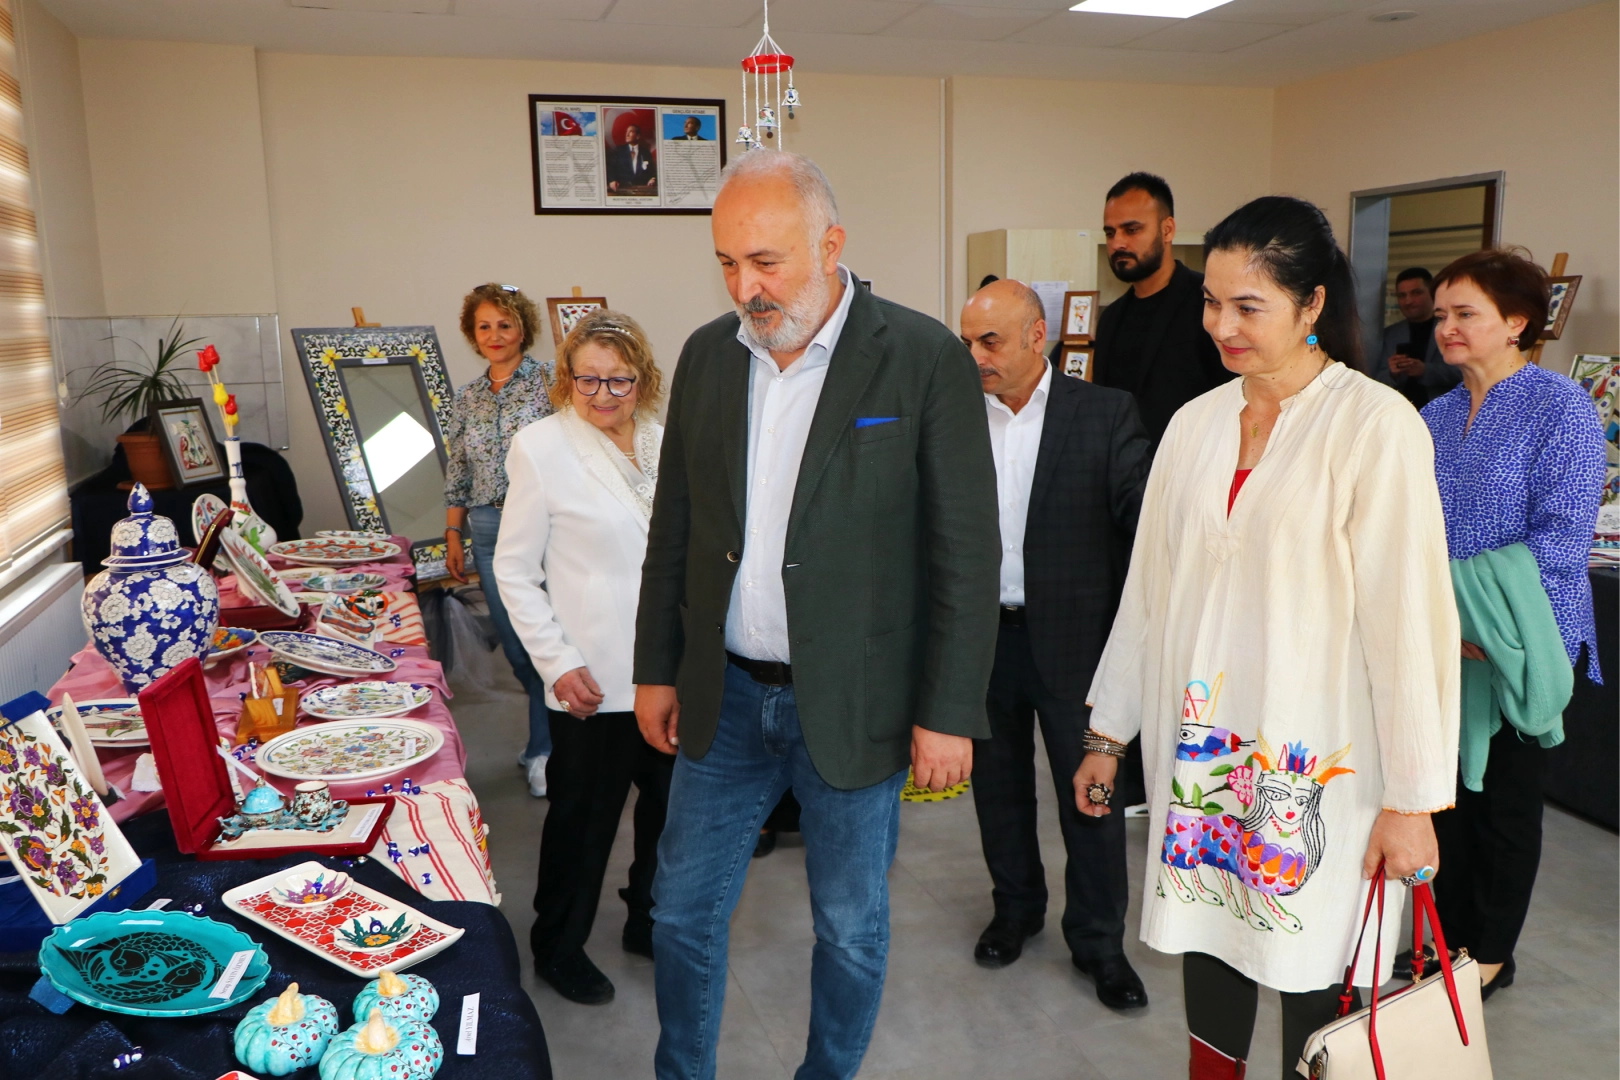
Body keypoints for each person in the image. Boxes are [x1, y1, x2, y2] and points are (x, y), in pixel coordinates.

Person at [1074, 196, 1460, 1080]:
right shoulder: (1193, 424)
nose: (1222, 326)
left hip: (1316, 761)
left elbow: (1410, 623)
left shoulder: (1375, 426)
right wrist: (1109, 732)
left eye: (1248, 306)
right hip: (1204, 753)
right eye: (1212, 303)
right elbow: (1148, 592)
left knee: (1310, 955)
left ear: (1312, 303)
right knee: (1209, 937)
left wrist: (1411, 801)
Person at [634, 150, 1000, 1080]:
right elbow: (675, 526)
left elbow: (965, 554)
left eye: (766, 261)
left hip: (857, 701)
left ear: (831, 246)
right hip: (725, 697)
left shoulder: (921, 357)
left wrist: (948, 711)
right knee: (679, 914)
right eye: (727, 263)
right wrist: (656, 667)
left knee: (847, 927)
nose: (744, 288)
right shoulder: (708, 357)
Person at [1415, 248, 1605, 1001]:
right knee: (1447, 804)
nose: (1447, 328)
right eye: (1441, 315)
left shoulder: (1562, 408)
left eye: (1467, 314)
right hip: (1442, 642)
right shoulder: (1430, 416)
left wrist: (1476, 620)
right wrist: (1436, 619)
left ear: (1517, 323)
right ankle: (1448, 943)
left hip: (1526, 641)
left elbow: (1562, 540)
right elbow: (1408, 533)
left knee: (1505, 809)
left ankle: (1489, 954)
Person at [959, 280, 1153, 1008]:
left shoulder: (1103, 413)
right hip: (984, 642)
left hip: (1078, 647)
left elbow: (1142, 521)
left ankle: (1100, 942)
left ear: (1037, 337)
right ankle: (1015, 910)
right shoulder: (953, 415)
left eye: (990, 341)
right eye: (967, 342)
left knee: (1094, 799)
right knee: (998, 790)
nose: (975, 357)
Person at [492, 308, 672, 1006]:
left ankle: (647, 920)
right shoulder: (541, 447)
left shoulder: (663, 437)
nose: (603, 394)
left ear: (642, 378)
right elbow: (513, 570)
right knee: (582, 823)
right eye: (587, 379)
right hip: (592, 677)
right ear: (566, 379)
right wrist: (557, 662)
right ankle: (558, 946)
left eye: (618, 379)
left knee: (667, 815)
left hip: (670, 672)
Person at [443, 283, 555, 797]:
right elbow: (459, 469)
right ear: (472, 334)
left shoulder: (551, 382)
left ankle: (546, 750)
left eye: (505, 325)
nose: (495, 335)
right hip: (488, 529)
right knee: (514, 646)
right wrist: (453, 531)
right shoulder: (467, 396)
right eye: (484, 326)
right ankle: (546, 740)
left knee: (544, 640)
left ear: (523, 329)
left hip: (544, 527)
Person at [1090, 172, 1234, 442]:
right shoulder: (1110, 318)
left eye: (1132, 230)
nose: (1117, 243)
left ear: (1167, 230)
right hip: (1124, 465)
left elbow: (1234, 397)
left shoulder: (1210, 304)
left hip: (1194, 460)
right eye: (1110, 233)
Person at [1370, 266, 1461, 407]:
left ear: (1432, 293)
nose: (1408, 301)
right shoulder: (1389, 334)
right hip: (1399, 410)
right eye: (1402, 295)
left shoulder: (1451, 329)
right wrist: (1393, 373)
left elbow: (1464, 373)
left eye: (1416, 293)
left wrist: (1425, 370)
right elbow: (1375, 380)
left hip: (1443, 410)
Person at [607, 124, 656, 192]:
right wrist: (612, 180)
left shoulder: (645, 152)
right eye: (626, 132)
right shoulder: (619, 151)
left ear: (638, 136)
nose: (627, 134)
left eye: (630, 132)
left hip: (641, 190)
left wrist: (653, 179)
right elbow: (610, 168)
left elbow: (652, 171)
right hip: (621, 189)